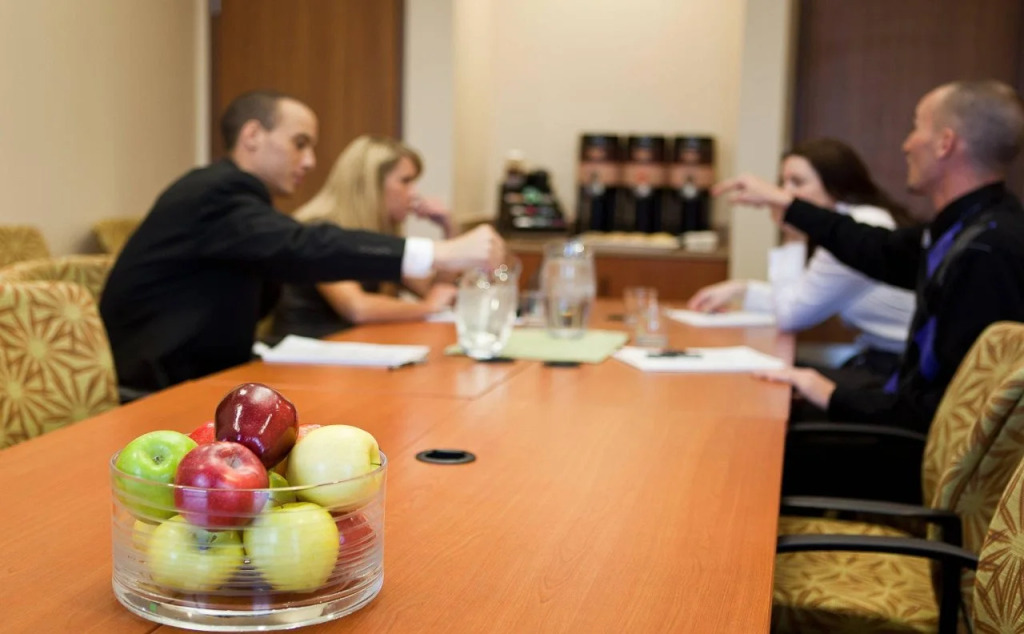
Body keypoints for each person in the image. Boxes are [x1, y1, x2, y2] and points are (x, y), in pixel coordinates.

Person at [717, 80, 1024, 501]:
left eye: (916, 128)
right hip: (906, 423)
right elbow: (873, 248)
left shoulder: (988, 250)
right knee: (769, 408)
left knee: (752, 443)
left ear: (945, 143)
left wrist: (831, 393)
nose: (906, 144)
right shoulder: (971, 225)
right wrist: (788, 206)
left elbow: (948, 411)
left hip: (919, 460)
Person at [100, 91, 504, 392]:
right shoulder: (216, 195)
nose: (309, 161)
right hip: (156, 390)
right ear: (253, 135)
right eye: (300, 143)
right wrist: (438, 252)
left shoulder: (237, 201)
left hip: (205, 379)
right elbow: (303, 245)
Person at [687, 138, 916, 389]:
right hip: (882, 360)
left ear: (834, 184)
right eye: (783, 183)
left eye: (797, 182)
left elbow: (791, 314)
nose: (786, 194)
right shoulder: (858, 219)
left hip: (898, 372)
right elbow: (801, 297)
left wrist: (793, 237)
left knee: (760, 381)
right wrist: (741, 289)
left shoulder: (861, 225)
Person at [271, 136, 458, 338]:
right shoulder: (318, 231)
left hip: (347, 346)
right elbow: (356, 307)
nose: (414, 193)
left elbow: (431, 290)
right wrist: (428, 307)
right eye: (406, 181)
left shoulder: (378, 235)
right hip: (306, 349)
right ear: (371, 185)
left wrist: (449, 227)